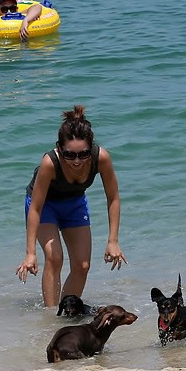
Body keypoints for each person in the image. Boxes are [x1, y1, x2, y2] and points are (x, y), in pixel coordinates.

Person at [16, 105, 127, 307]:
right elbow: (36, 208)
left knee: (82, 265)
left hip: (74, 204)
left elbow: (113, 198)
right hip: (45, 206)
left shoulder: (101, 158)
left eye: (83, 154)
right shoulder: (49, 163)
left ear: (91, 148)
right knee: (54, 257)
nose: (77, 161)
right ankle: (51, 318)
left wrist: (113, 241)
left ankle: (66, 311)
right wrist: (30, 253)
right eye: (70, 155)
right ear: (60, 148)